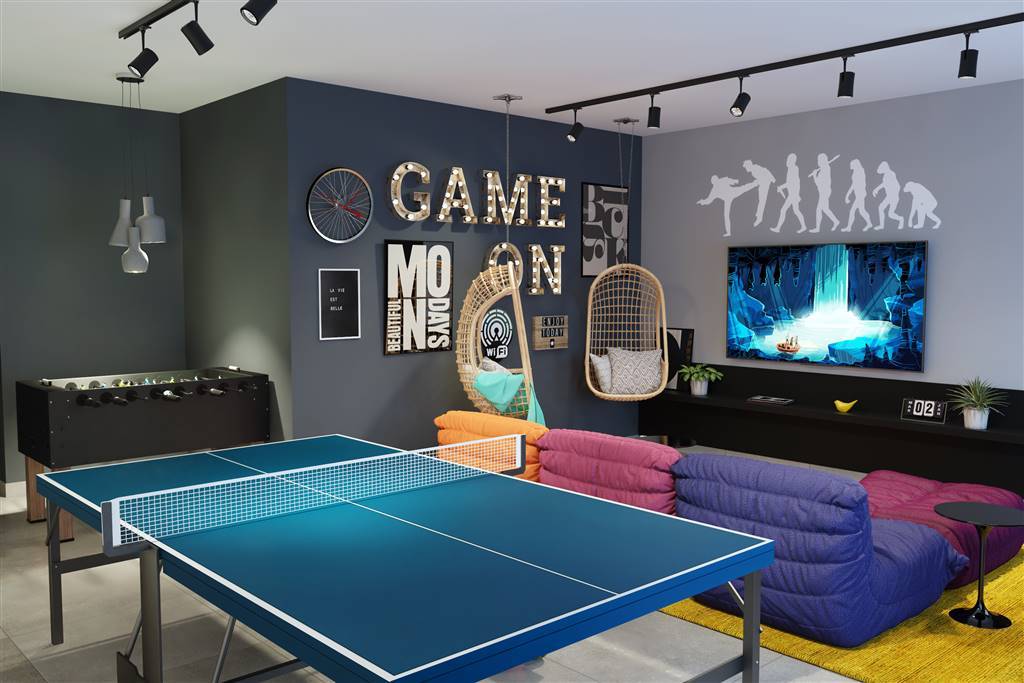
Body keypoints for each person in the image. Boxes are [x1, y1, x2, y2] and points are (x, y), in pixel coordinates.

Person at [772, 153, 808, 234]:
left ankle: (778, 228)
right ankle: (803, 226)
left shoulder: (794, 169)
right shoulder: (791, 169)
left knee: (784, 210)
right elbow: (790, 183)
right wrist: (782, 187)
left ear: (792, 160)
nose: (787, 161)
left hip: (793, 195)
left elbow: (793, 183)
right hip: (792, 194)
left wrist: (781, 187)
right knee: (795, 211)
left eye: (789, 159)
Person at [808, 153, 840, 232]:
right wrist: (815, 174)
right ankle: (836, 221)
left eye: (819, 160)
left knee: (819, 210)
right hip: (824, 191)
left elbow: (819, 183)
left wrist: (814, 176)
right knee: (825, 209)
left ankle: (818, 228)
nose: (818, 161)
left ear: (822, 160)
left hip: (824, 192)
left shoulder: (825, 169)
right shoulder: (824, 168)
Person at [742, 160, 776, 227]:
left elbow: (765, 171)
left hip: (765, 183)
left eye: (746, 167)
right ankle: (758, 215)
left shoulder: (755, 168)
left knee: (762, 201)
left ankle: (759, 218)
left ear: (749, 165)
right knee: (761, 200)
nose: (745, 169)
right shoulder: (753, 171)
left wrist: (773, 180)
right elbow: (760, 176)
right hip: (762, 183)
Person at [872, 161, 904, 230]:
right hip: (889, 197)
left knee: (890, 214)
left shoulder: (891, 174)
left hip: (893, 197)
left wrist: (894, 194)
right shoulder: (886, 175)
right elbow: (884, 183)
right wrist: (877, 189)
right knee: (881, 208)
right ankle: (881, 225)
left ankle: (901, 219)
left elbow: (898, 186)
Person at [843, 159, 871, 232]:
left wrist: (848, 195)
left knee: (853, 211)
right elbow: (853, 185)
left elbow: (859, 184)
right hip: (859, 195)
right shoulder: (855, 172)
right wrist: (848, 194)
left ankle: (849, 227)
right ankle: (869, 223)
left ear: (855, 165)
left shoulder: (860, 172)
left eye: (851, 164)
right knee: (861, 211)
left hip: (860, 195)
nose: (850, 166)